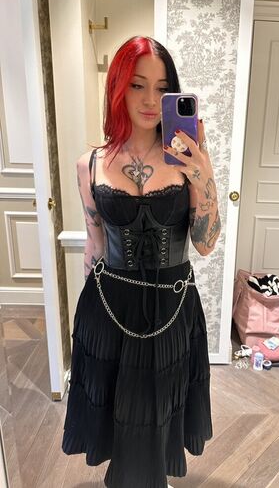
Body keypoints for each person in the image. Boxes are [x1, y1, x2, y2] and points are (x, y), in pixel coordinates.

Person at [61, 36, 221, 488]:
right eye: (137, 85)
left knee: (161, 405)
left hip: (171, 306)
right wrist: (86, 320)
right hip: (109, 306)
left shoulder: (187, 160)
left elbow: (206, 244)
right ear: (117, 87)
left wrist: (203, 175)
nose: (151, 99)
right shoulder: (90, 164)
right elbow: (95, 242)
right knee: (116, 405)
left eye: (162, 87)